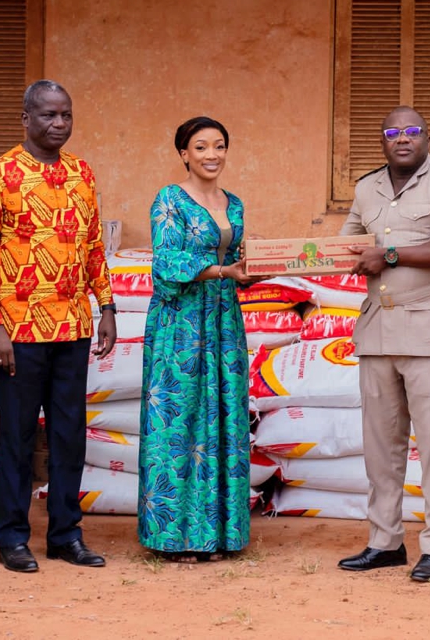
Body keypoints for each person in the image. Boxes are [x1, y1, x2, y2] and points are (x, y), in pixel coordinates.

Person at [0, 79, 117, 573]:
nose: (59, 124)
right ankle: (12, 537)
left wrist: (108, 307)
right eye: (49, 115)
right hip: (18, 334)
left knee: (71, 435)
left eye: (66, 115)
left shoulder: (81, 173)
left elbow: (94, 246)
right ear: (25, 119)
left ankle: (64, 535)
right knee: (18, 436)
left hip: (72, 327)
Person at [337, 106, 430, 584]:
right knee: (381, 446)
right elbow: (345, 245)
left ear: (426, 137)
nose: (402, 138)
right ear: (382, 140)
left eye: (411, 131)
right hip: (377, 331)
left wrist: (389, 254)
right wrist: (290, 258)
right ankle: (385, 542)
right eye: (391, 131)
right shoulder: (366, 187)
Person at [137, 117, 261, 562]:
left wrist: (249, 273)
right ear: (184, 154)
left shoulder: (235, 204)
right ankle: (174, 538)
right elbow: (168, 263)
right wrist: (225, 271)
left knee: (224, 418)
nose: (212, 154)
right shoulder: (169, 200)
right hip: (181, 323)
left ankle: (220, 535)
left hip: (224, 320)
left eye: (220, 146)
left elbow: (236, 261)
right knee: (178, 420)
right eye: (201, 147)